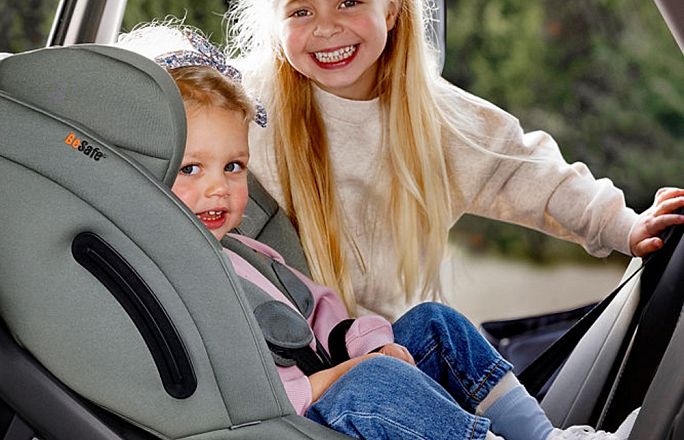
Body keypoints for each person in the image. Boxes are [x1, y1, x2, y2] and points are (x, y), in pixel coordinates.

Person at [116, 25, 640, 440]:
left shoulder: (250, 253)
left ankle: (545, 437)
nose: (219, 189)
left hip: (338, 382)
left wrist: (372, 344)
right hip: (285, 419)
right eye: (190, 169)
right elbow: (238, 393)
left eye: (233, 167)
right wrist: (348, 374)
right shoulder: (168, 280)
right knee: (373, 383)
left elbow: (323, 314)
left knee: (434, 323)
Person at [227, 0, 684, 319]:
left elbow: (523, 170)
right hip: (284, 347)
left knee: (446, 330)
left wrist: (622, 225)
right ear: (274, 22)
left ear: (392, 9)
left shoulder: (436, 119)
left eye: (349, 2)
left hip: (391, 341)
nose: (326, 28)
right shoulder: (245, 105)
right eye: (301, 11)